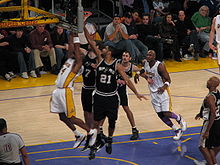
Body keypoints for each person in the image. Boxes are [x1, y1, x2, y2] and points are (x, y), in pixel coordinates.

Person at [85, 28, 147, 159]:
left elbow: (128, 81)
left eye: (106, 48)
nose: (103, 49)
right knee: (96, 123)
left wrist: (137, 93)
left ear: (110, 52)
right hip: (99, 96)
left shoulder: (117, 65)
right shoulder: (99, 60)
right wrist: (83, 24)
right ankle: (93, 146)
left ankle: (110, 140)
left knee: (112, 123)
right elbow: (90, 42)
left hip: (112, 98)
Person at [50, 32, 97, 150]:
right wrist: (71, 34)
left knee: (71, 117)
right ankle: (78, 135)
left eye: (78, 54)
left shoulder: (78, 65)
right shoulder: (70, 60)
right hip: (57, 91)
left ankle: (91, 131)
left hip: (66, 92)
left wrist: (76, 36)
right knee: (62, 116)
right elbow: (71, 47)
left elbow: (76, 48)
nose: (77, 52)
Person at [134, 50, 187, 140]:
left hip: (163, 92)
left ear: (154, 57)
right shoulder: (145, 63)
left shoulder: (160, 66)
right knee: (160, 115)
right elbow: (143, 70)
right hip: (153, 93)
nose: (148, 56)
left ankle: (179, 119)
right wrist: (138, 74)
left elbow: (168, 80)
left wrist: (163, 87)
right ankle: (177, 130)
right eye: (147, 54)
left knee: (166, 113)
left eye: (150, 55)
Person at [194, 76, 220, 165]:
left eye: (209, 81)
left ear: (213, 84)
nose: (207, 81)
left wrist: (207, 131)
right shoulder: (217, 93)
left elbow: (213, 113)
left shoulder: (210, 97)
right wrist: (201, 113)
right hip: (218, 122)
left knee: (202, 146)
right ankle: (211, 162)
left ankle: (210, 163)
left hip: (211, 122)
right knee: (215, 145)